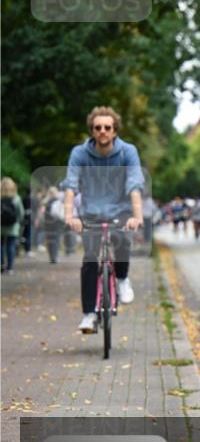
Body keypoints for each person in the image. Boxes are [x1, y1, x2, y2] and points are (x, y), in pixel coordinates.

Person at [61, 106, 145, 333]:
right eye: (98, 128)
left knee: (123, 240)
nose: (103, 131)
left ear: (115, 131)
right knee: (89, 260)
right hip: (91, 214)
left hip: (121, 211)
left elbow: (134, 183)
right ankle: (89, 314)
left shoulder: (128, 152)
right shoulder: (79, 153)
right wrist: (70, 215)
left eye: (108, 127)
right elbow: (70, 185)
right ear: (92, 131)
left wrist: (137, 216)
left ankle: (122, 279)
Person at [1, 177, 26, 274]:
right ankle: (10, 268)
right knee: (10, 245)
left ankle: (1, 264)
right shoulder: (16, 198)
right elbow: (21, 213)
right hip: (13, 226)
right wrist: (19, 223)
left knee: (1, 245)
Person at [40, 187, 65, 263]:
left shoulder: (45, 202)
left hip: (47, 223)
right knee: (56, 239)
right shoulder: (58, 202)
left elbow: (42, 213)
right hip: (56, 223)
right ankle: (55, 256)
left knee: (49, 240)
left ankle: (51, 256)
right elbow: (61, 213)